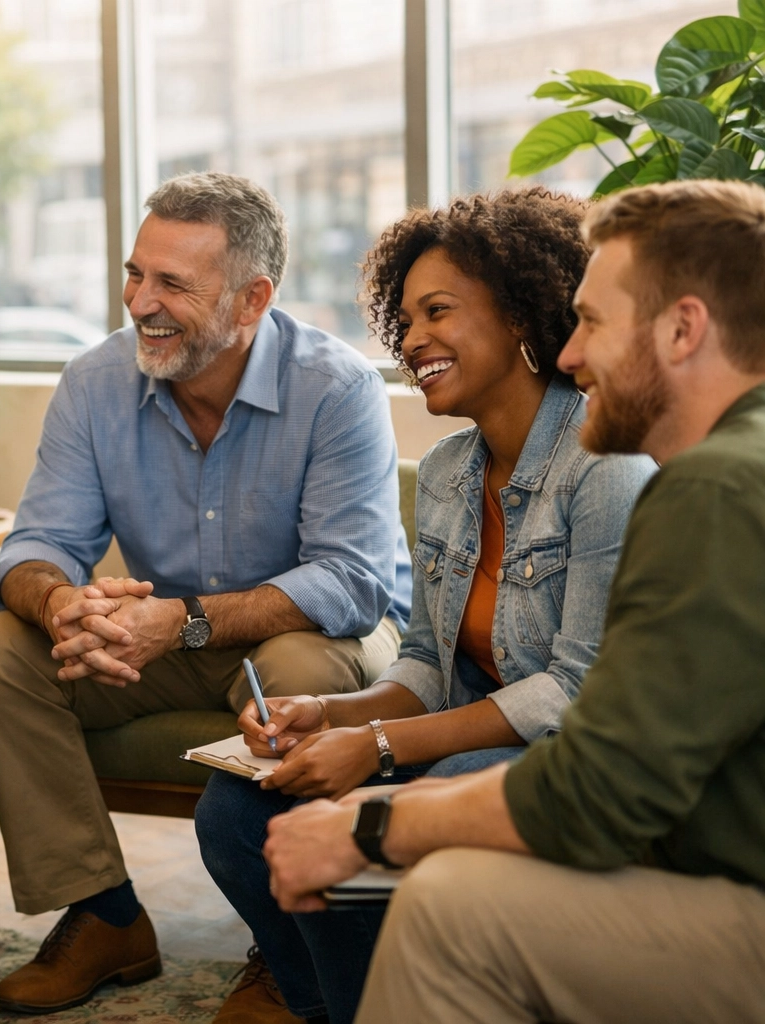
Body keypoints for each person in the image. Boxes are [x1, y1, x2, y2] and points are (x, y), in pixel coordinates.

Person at [262, 179, 765, 1024]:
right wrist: (349, 727)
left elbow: (599, 788)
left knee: (448, 902)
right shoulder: (723, 467)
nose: (573, 355)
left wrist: (371, 820)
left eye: (595, 323)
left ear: (684, 329)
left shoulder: (711, 487)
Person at [0, 170, 413, 1014]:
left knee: (296, 663)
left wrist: (185, 622)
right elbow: (37, 544)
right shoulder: (96, 382)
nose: (140, 302)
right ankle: (104, 913)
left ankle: (284, 941)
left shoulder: (336, 387)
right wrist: (60, 602)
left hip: (318, 634)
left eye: (172, 284)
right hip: (160, 637)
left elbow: (352, 580)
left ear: (251, 299)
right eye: (135, 274)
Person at [193, 187, 656, 1024]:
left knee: (401, 805)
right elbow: (425, 664)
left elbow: (571, 694)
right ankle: (334, 1008)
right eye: (404, 320)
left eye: (437, 312)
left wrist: (375, 748)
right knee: (236, 812)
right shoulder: (445, 471)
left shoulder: (607, 465)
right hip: (459, 733)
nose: (411, 341)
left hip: (576, 760)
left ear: (521, 315)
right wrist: (328, 713)